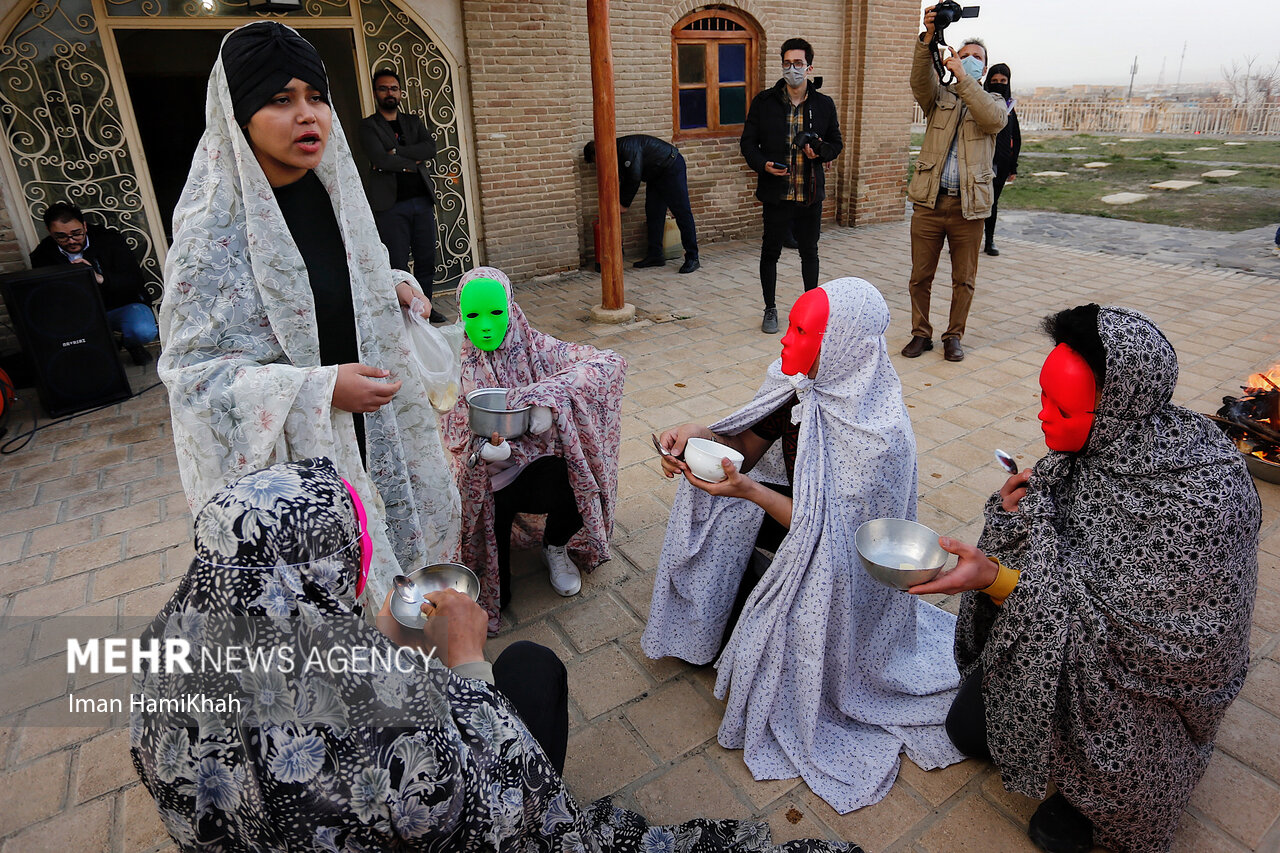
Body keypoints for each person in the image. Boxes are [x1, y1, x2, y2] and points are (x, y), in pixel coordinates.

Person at [131, 457, 864, 852]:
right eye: (347, 550)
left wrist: (385, 635)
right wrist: (466, 662)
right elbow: (477, 802)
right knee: (528, 672)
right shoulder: (392, 740)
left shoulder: (168, 649)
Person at [909, 305, 1260, 852]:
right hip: (1057, 636)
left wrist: (997, 579)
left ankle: (1093, 793)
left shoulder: (1203, 497)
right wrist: (1008, 522)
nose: (1044, 417)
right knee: (967, 733)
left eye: (1062, 406)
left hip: (1136, 686)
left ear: (1120, 410)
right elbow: (1054, 568)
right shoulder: (1079, 452)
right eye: (1043, 397)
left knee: (1106, 777)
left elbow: (1161, 641)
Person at [158, 22, 460, 615]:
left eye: (315, 97)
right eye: (279, 100)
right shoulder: (212, 233)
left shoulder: (334, 193)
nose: (308, 116)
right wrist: (318, 391)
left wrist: (392, 286)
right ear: (238, 113)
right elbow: (193, 377)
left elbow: (347, 277)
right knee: (338, 590)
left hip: (378, 425)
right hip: (308, 463)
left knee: (400, 545)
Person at [643, 277, 963, 814]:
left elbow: (832, 538)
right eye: (789, 326)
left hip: (848, 560)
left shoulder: (880, 433)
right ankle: (712, 621)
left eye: (799, 331)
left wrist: (748, 490)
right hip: (802, 513)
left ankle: (779, 629)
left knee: (741, 505)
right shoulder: (798, 382)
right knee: (711, 504)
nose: (784, 341)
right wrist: (700, 434)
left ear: (840, 346)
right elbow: (746, 443)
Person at [442, 267, 626, 632]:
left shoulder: (536, 348)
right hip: (485, 483)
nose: (486, 325)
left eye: (495, 312)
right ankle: (498, 559)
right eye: (473, 315)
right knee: (499, 599)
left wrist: (546, 398)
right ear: (462, 316)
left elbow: (610, 363)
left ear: (510, 308)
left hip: (537, 471)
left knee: (581, 477)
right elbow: (449, 434)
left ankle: (554, 545)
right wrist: (480, 454)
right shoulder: (452, 363)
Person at [900, 7, 1006, 363]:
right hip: (930, 204)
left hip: (968, 208)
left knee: (964, 279)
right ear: (951, 60)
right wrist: (927, 38)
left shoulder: (993, 102)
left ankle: (954, 336)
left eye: (977, 58)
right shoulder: (939, 99)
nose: (970, 61)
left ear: (985, 69)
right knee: (920, 277)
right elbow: (919, 82)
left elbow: (992, 121)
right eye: (964, 56)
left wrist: (964, 78)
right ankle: (920, 333)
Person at [740, 38, 843, 335]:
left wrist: (820, 151)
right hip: (777, 193)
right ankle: (770, 308)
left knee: (809, 252)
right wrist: (763, 164)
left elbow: (836, 143)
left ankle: (811, 310)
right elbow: (748, 143)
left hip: (809, 193)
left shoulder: (823, 105)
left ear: (808, 67)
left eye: (798, 63)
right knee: (770, 251)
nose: (792, 69)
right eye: (787, 63)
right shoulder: (764, 102)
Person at [358, 67, 447, 323]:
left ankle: (426, 307)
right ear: (376, 93)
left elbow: (430, 148)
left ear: (400, 93)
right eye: (384, 88)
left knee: (425, 259)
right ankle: (403, 313)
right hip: (391, 205)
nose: (389, 92)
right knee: (397, 263)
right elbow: (378, 158)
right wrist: (411, 159)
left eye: (394, 88)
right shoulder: (368, 126)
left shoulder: (413, 122)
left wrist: (395, 154)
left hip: (421, 200)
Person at [30, 201, 157, 365]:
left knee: (143, 331)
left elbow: (133, 280)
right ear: (49, 231)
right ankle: (107, 346)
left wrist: (100, 278)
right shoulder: (42, 254)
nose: (71, 240)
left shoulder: (110, 240)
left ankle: (131, 344)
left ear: (85, 226)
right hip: (78, 314)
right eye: (61, 236)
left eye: (77, 233)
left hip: (121, 305)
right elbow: (45, 296)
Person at [583, 135, 700, 273]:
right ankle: (655, 255)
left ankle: (693, 257)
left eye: (595, 161)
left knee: (681, 212)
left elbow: (633, 177)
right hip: (656, 175)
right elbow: (623, 180)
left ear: (597, 153)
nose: (597, 165)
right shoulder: (615, 153)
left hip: (671, 167)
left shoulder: (625, 148)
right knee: (653, 214)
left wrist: (624, 204)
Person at [983, 63, 1020, 257]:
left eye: (1003, 81)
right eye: (994, 81)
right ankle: (963, 240)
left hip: (1001, 162)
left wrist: (1013, 167)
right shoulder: (980, 102)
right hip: (981, 161)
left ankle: (989, 240)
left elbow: (1016, 136)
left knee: (992, 203)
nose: (999, 84)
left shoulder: (1010, 107)